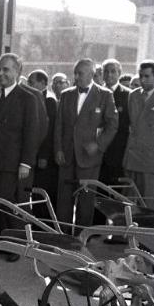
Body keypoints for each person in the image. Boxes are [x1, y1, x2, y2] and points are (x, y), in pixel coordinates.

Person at [55, 58, 118, 233]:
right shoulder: (66, 94)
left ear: (92, 74)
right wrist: (58, 149)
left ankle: (82, 238)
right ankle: (63, 236)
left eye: (80, 73)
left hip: (89, 158)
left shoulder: (105, 95)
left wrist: (98, 145)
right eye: (75, 73)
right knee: (64, 199)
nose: (76, 77)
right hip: (66, 155)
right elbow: (59, 125)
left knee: (86, 200)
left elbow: (112, 125)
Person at [0, 53, 39, 238]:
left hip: (12, 163)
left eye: (6, 69)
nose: (1, 73)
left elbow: (32, 133)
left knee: (10, 206)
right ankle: (0, 242)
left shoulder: (27, 98)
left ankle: (15, 246)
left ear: (18, 71)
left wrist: (26, 163)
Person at [123, 60, 154, 211]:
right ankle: (126, 235)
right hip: (132, 157)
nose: (142, 80)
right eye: (141, 76)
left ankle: (147, 235)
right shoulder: (133, 96)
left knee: (149, 205)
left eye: (147, 76)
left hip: (151, 160)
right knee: (128, 205)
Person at [27, 69, 58, 216]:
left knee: (43, 190)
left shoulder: (50, 101)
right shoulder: (30, 98)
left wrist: (44, 155)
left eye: (32, 82)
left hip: (43, 156)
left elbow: (49, 130)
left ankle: (43, 223)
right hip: (32, 154)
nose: (29, 85)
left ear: (43, 83)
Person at [99, 59, 131, 186]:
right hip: (97, 153)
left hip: (118, 153)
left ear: (119, 73)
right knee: (98, 194)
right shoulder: (96, 93)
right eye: (106, 71)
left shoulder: (128, 95)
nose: (109, 75)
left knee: (116, 194)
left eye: (113, 71)